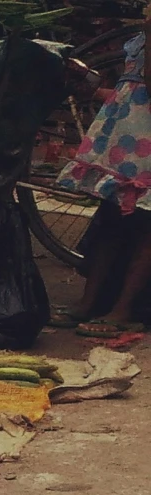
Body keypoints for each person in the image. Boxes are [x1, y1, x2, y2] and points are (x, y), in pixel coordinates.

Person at [58, 23, 151, 338]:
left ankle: (123, 311)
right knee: (111, 218)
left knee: (145, 227)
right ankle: (89, 302)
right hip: (127, 138)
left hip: (143, 143)